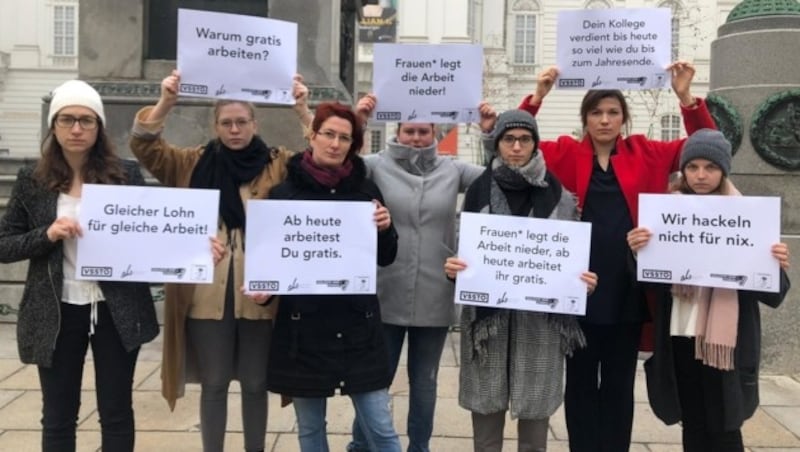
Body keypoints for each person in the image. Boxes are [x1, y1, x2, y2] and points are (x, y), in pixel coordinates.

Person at [516, 62, 717, 452]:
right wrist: (537, 96)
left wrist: (686, 98)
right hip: (578, 291)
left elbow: (708, 143)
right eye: (596, 112)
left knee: (619, 387)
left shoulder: (648, 152)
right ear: (585, 118)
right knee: (579, 385)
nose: (604, 120)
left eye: (612, 112)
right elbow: (515, 139)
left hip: (628, 292)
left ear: (623, 118)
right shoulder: (563, 153)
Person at [128, 70, 308, 452]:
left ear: (254, 124)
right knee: (214, 383)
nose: (234, 129)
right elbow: (145, 148)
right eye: (226, 123)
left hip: (260, 291)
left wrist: (304, 111)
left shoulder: (278, 163)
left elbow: (321, 160)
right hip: (206, 290)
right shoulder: (191, 161)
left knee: (256, 383)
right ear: (215, 126)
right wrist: (166, 102)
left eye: (242, 122)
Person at [0, 80, 160, 451]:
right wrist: (47, 234)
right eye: (67, 119)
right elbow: (4, 245)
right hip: (56, 308)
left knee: (117, 410)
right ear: (54, 126)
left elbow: (152, 234)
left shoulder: (126, 174)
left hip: (114, 308)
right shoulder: (32, 180)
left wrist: (194, 251)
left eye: (86, 120)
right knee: (58, 414)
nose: (76, 129)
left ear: (99, 127)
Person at [338, 94, 489, 452]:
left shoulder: (453, 169)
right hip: (384, 288)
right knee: (376, 378)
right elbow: (340, 163)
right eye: (409, 131)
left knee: (425, 381)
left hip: (435, 290)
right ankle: (362, 444)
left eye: (424, 131)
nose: (416, 139)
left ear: (435, 133)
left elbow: (497, 177)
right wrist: (358, 120)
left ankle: (419, 446)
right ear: (397, 131)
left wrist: (488, 134)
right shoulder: (375, 164)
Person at [627, 129, 791, 451]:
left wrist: (775, 264)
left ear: (723, 171)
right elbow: (646, 282)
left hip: (724, 344)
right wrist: (637, 252)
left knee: (725, 427)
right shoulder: (665, 216)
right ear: (683, 170)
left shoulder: (749, 217)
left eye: (710, 167)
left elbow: (775, 295)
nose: (701, 175)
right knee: (693, 424)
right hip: (679, 338)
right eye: (693, 167)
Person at [444, 109, 598, 452]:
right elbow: (465, 250)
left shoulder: (558, 194)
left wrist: (581, 280)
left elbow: (568, 254)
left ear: (534, 143)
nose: (516, 147)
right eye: (509, 139)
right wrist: (454, 270)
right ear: (497, 144)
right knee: (486, 409)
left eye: (524, 139)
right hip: (488, 318)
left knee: (535, 411)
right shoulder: (478, 190)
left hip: (540, 319)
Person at [266, 102, 401, 452]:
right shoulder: (283, 196)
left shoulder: (366, 192)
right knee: (311, 432)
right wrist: (262, 291)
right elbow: (269, 264)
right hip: (303, 330)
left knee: (382, 431)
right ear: (312, 136)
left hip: (358, 327)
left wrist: (385, 230)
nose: (335, 144)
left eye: (345, 138)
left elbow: (387, 258)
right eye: (328, 134)